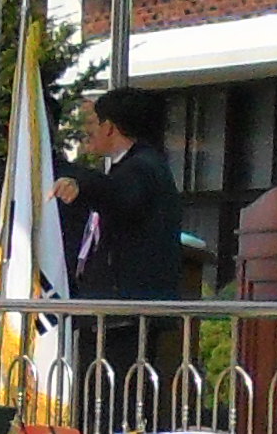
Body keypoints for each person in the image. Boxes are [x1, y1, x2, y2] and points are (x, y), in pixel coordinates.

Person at [54, 87, 184, 389]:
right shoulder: (137, 166)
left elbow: (120, 196)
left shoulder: (142, 167)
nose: (91, 132)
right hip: (114, 311)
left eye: (95, 123)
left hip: (124, 313)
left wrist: (81, 184)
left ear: (110, 126)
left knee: (115, 397)